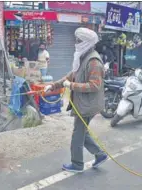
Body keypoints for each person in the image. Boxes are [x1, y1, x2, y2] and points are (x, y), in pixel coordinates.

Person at [44, 27, 108, 173]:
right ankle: (100, 154)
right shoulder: (82, 57)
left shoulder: (93, 61)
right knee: (82, 132)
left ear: (86, 42)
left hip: (88, 105)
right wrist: (53, 86)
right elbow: (70, 76)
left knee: (77, 135)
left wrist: (71, 85)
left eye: (78, 41)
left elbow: (94, 85)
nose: (75, 43)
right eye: (76, 40)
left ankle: (77, 164)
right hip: (83, 102)